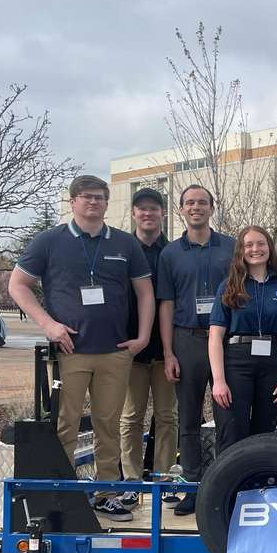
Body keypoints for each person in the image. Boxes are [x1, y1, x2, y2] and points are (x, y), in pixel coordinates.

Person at [8, 175, 153, 522]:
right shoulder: (49, 241)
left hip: (115, 352)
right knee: (65, 426)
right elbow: (18, 285)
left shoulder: (123, 244)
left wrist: (143, 337)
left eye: (101, 197)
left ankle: (107, 494)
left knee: (108, 424)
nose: (94, 202)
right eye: (87, 197)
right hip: (70, 351)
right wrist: (49, 325)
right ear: (72, 202)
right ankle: (62, 497)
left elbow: (145, 292)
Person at [156, 184, 235, 516]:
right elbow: (166, 305)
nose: (196, 207)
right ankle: (192, 486)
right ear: (181, 210)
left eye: (202, 202)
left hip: (226, 342)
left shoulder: (232, 247)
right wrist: (169, 352)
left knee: (227, 418)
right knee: (187, 419)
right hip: (186, 341)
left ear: (212, 207)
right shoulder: (170, 254)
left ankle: (226, 486)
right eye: (190, 203)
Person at [209, 226, 277, 454]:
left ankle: (259, 487)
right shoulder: (229, 286)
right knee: (232, 431)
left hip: (273, 363)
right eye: (249, 245)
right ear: (241, 250)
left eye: (261, 243)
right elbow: (215, 336)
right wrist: (219, 381)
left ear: (269, 247)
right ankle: (228, 488)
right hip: (236, 362)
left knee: (264, 435)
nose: (255, 249)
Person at [118, 188, 178, 492]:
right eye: (142, 209)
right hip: (131, 350)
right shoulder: (123, 250)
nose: (148, 214)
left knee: (167, 416)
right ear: (133, 214)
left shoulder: (173, 252)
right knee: (131, 417)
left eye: (154, 209)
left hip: (166, 350)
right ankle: (131, 479)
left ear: (162, 214)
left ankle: (163, 477)